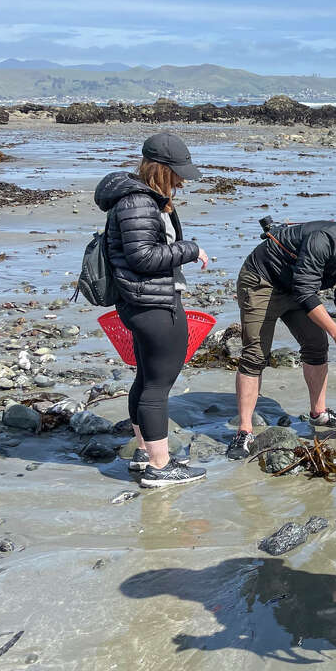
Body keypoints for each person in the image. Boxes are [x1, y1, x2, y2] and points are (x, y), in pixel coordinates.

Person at [226, 221, 336, 459]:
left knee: (316, 345)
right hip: (262, 281)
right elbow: (305, 291)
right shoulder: (325, 241)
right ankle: (244, 431)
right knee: (255, 354)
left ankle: (318, 412)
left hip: (297, 288)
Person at [94, 132, 210, 488]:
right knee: (158, 386)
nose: (182, 180)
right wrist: (191, 250)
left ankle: (145, 453)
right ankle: (161, 468)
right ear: (161, 169)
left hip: (140, 301)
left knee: (145, 378)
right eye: (178, 173)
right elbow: (143, 257)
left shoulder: (141, 199)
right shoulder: (138, 203)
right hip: (152, 303)